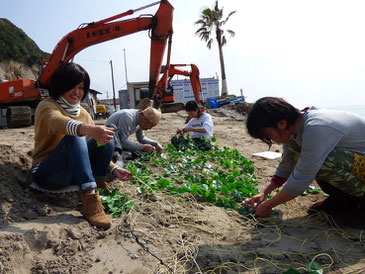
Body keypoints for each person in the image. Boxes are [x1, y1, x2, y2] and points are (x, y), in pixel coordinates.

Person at [31, 62, 132, 229]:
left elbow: (87, 147)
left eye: (81, 87)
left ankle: (98, 180)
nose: (77, 92)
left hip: (73, 170)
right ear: (60, 86)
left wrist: (113, 168)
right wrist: (87, 129)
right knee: (75, 137)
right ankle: (89, 199)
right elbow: (58, 122)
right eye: (72, 87)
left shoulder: (83, 112)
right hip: (48, 173)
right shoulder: (47, 105)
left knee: (107, 135)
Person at [244, 97, 365, 227]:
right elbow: (287, 166)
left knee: (324, 162)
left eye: (268, 136)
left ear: (281, 124)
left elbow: (301, 179)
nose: (271, 140)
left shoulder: (315, 127)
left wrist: (268, 205)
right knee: (301, 152)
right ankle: (343, 200)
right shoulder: (295, 128)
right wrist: (264, 193)